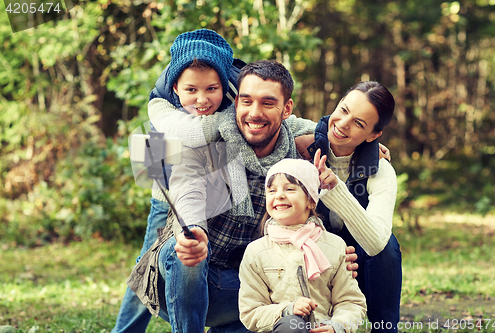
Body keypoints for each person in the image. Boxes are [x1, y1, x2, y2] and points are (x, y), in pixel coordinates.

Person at [127, 60, 362, 332]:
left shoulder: (296, 159)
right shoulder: (205, 141)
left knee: (287, 299)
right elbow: (186, 187)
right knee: (185, 252)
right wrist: (191, 230)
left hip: (244, 290)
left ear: (286, 109)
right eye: (247, 101)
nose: (254, 113)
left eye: (267, 103)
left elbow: (311, 212)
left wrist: (334, 254)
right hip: (183, 280)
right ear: (236, 102)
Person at [112, 28, 241, 333]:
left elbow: (280, 118)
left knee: (199, 257)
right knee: (146, 264)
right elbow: (193, 133)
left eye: (212, 89)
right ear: (175, 87)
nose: (201, 99)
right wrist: (235, 118)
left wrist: (323, 132)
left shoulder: (237, 95)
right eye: (191, 90)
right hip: (166, 194)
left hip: (213, 192)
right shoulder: (159, 105)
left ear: (224, 83)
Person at [307, 81, 402, 332]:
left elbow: (376, 243)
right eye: (344, 109)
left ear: (373, 136)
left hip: (358, 262)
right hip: (312, 256)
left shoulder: (381, 170)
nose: (343, 124)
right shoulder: (302, 150)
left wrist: (335, 189)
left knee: (388, 246)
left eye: (359, 123)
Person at [238, 157, 367, 333]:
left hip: (323, 327)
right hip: (282, 328)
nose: (279, 195)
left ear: (311, 201)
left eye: (290, 189)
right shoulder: (256, 252)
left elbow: (351, 302)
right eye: (272, 190)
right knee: (293, 325)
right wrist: (286, 310)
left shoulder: (334, 246)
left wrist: (337, 326)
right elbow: (250, 311)